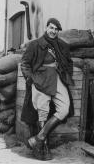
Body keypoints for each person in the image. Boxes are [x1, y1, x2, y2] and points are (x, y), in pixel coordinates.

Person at [20, 18, 74, 160]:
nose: (53, 31)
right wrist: (31, 79)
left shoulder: (62, 45)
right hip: (40, 79)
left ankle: (39, 138)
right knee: (42, 111)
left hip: (57, 78)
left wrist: (67, 75)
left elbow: (69, 63)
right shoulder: (35, 44)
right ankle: (42, 148)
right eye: (51, 28)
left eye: (56, 29)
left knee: (64, 109)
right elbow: (24, 63)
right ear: (46, 28)